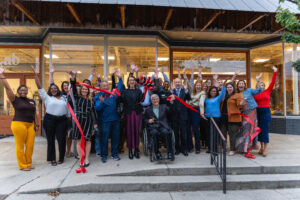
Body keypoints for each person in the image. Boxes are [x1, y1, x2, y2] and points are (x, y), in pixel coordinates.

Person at [0, 65, 37, 171]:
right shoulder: (15, 99)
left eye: (25, 90)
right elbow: (7, 88)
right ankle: (22, 165)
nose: (23, 92)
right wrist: (2, 75)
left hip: (31, 125)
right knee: (20, 146)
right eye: (21, 90)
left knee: (30, 145)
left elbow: (34, 113)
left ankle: (28, 163)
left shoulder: (31, 101)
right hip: (19, 124)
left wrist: (36, 124)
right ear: (18, 91)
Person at [32, 66, 69, 166]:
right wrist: (35, 74)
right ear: (49, 90)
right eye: (51, 88)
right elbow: (39, 86)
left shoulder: (64, 97)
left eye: (55, 88)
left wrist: (52, 74)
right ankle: (52, 159)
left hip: (62, 120)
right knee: (51, 140)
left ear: (58, 89)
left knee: (61, 139)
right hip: (50, 120)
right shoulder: (47, 97)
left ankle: (61, 158)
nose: (53, 89)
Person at [69, 71, 98, 167]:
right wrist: (73, 78)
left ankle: (86, 159)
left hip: (88, 121)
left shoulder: (90, 100)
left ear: (88, 91)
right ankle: (81, 158)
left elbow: (93, 112)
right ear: (81, 90)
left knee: (88, 140)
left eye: (86, 89)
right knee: (79, 140)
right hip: (79, 120)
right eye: (83, 89)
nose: (85, 90)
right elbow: (73, 87)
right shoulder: (77, 97)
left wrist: (95, 122)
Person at [94, 70, 123, 163]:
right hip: (105, 121)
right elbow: (97, 108)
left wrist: (120, 78)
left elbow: (119, 87)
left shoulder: (113, 94)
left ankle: (114, 154)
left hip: (115, 120)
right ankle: (104, 155)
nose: (106, 87)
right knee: (105, 138)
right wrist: (102, 103)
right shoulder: (98, 96)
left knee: (115, 138)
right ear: (101, 87)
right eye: (104, 86)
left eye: (107, 85)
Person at [254, 66, 278, 157]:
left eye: (263, 85)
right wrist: (258, 80)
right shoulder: (255, 93)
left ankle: (265, 149)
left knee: (265, 130)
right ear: (257, 87)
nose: (261, 86)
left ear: (265, 86)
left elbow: (272, 82)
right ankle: (261, 147)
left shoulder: (267, 91)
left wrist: (275, 72)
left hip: (265, 112)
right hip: (258, 113)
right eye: (259, 85)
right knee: (259, 130)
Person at [144, 94, 175, 161]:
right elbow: (144, 120)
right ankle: (157, 153)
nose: (155, 100)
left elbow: (171, 111)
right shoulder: (148, 109)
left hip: (163, 126)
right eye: (153, 99)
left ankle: (169, 152)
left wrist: (171, 103)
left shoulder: (164, 107)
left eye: (156, 99)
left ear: (159, 99)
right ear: (151, 101)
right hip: (153, 126)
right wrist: (148, 121)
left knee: (167, 132)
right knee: (154, 133)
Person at [235, 80, 262, 154]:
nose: (241, 85)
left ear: (244, 85)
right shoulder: (236, 94)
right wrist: (240, 104)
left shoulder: (249, 90)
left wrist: (258, 80)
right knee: (243, 129)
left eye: (242, 83)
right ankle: (241, 147)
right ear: (237, 86)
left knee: (249, 129)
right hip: (242, 113)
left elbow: (259, 90)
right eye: (239, 84)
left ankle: (247, 148)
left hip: (251, 111)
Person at [121, 75, 143, 159]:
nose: (132, 81)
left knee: (137, 131)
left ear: (135, 81)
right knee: (129, 131)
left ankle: (137, 149)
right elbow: (121, 100)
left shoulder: (139, 91)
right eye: (130, 80)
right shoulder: (125, 91)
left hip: (137, 113)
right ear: (128, 82)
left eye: (133, 80)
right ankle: (130, 149)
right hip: (128, 113)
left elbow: (142, 100)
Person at [221, 82, 245, 156]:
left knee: (232, 135)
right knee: (223, 133)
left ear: (233, 88)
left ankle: (232, 149)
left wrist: (242, 102)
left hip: (234, 118)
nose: (229, 88)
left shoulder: (237, 95)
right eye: (228, 87)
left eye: (230, 87)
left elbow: (240, 105)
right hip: (223, 117)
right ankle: (223, 148)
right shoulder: (223, 95)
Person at [204, 75, 225, 153]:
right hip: (207, 117)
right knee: (208, 134)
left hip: (215, 118)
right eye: (212, 91)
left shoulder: (218, 98)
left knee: (215, 134)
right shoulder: (206, 98)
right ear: (209, 92)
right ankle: (210, 148)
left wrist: (221, 86)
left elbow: (223, 94)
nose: (214, 92)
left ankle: (215, 150)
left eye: (215, 91)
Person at [171, 78, 191, 156]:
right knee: (176, 133)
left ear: (181, 83)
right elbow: (169, 102)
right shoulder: (172, 91)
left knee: (183, 133)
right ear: (174, 83)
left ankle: (184, 149)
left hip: (183, 115)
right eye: (176, 82)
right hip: (174, 115)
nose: (178, 83)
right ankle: (177, 149)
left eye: (179, 82)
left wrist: (186, 90)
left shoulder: (184, 91)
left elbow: (189, 98)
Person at [189, 80, 206, 154]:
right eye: (197, 85)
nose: (198, 86)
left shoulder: (203, 93)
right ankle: (190, 147)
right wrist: (183, 74)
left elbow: (201, 103)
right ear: (195, 86)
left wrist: (202, 113)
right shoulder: (192, 92)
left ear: (201, 86)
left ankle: (197, 148)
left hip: (196, 111)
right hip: (189, 111)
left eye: (199, 85)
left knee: (196, 130)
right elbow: (188, 84)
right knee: (189, 129)